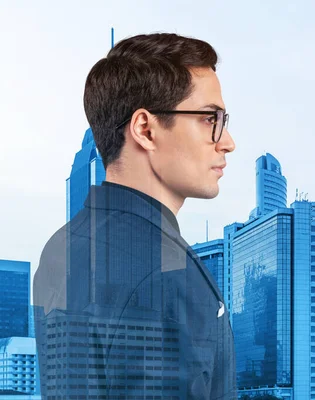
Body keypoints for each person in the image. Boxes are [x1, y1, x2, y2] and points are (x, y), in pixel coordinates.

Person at [33, 33, 236, 399]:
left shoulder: (59, 250)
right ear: (145, 129)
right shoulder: (170, 274)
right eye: (210, 119)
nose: (227, 141)